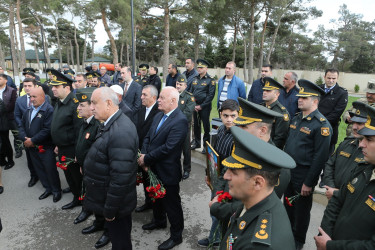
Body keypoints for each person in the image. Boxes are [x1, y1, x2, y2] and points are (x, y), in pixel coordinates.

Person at [210, 126, 296, 250]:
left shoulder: (260, 245)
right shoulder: (255, 201)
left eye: (233, 172)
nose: (226, 176)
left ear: (258, 183)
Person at [84, 87, 138, 250]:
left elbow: (120, 179)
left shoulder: (120, 131)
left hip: (116, 206)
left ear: (108, 103)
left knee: (121, 244)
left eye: (94, 103)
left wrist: (109, 211)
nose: (91, 107)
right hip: (111, 200)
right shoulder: (112, 123)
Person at [315, 104, 375, 250]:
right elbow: (337, 201)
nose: (361, 144)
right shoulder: (363, 169)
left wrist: (331, 246)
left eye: (369, 139)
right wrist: (325, 235)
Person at [283, 79, 332, 250]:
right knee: (288, 205)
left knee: (301, 212)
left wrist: (309, 182)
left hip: (303, 175)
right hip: (289, 172)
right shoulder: (297, 119)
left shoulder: (321, 126)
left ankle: (297, 242)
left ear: (315, 101)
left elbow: (320, 157)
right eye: (299, 96)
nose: (300, 99)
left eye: (304, 97)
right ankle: (286, 236)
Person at [138, 87, 188, 250]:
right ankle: (159, 222)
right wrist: (144, 154)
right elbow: (148, 137)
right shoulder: (159, 115)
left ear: (173, 101)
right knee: (156, 199)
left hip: (167, 171)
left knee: (172, 205)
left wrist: (146, 158)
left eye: (161, 98)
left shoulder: (180, 120)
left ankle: (176, 236)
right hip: (152, 167)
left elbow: (169, 148)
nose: (158, 100)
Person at [198, 99, 238, 248]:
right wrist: (209, 173)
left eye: (233, 116)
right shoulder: (221, 130)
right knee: (214, 213)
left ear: (238, 115)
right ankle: (214, 238)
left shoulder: (239, 137)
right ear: (220, 114)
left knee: (221, 215)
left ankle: (217, 240)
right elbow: (213, 155)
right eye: (226, 115)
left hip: (228, 183)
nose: (229, 119)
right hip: (217, 178)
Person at [73, 87, 111, 249]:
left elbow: (98, 152)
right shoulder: (85, 122)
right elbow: (83, 144)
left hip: (98, 173)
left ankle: (108, 232)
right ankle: (98, 223)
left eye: (82, 105)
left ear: (91, 106)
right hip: (88, 170)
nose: (78, 108)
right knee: (95, 199)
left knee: (103, 201)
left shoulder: (98, 125)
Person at [18, 87, 62, 202]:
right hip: (31, 147)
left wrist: (32, 140)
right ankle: (48, 188)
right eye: (30, 97)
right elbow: (21, 126)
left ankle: (56, 190)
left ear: (43, 97)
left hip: (45, 147)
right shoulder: (28, 110)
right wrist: (24, 138)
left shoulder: (49, 110)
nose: (31, 99)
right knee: (39, 169)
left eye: (34, 97)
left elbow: (47, 130)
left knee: (50, 169)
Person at [50, 69, 83, 210]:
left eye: (56, 86)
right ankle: (76, 198)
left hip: (72, 149)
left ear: (67, 88)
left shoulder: (74, 104)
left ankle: (84, 204)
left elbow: (79, 131)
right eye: (52, 86)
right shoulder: (59, 101)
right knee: (69, 177)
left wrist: (77, 153)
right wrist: (58, 144)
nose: (53, 89)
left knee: (77, 178)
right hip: (62, 147)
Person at [323, 101, 366, 200]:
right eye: (354, 122)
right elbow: (330, 165)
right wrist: (331, 187)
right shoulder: (346, 143)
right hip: (333, 198)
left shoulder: (371, 153)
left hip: (350, 204)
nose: (354, 127)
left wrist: (337, 193)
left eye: (359, 123)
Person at [135, 84, 161, 213]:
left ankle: (158, 211)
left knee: (153, 183)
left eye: (144, 95)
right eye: (141, 94)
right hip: (141, 153)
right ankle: (148, 203)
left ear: (154, 97)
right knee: (145, 180)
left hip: (152, 155)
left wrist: (147, 156)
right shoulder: (141, 110)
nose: (141, 97)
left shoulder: (159, 112)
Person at [14, 78, 39, 187]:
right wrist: (23, 131)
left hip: (39, 133)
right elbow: (17, 116)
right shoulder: (20, 100)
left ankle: (45, 177)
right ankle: (33, 176)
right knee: (30, 157)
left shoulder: (43, 98)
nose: (27, 88)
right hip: (26, 133)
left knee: (43, 157)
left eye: (29, 85)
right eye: (25, 86)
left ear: (35, 86)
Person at [318, 68, 348, 155]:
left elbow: (336, 114)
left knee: (326, 157)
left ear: (337, 78)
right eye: (329, 78)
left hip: (329, 129)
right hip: (313, 128)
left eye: (334, 78)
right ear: (324, 77)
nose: (331, 81)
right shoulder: (317, 89)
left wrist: (319, 122)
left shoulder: (342, 93)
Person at [190, 59, 216, 154]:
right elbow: (191, 93)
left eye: (201, 67)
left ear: (206, 68)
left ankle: (206, 146)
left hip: (204, 107)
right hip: (195, 107)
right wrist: (194, 105)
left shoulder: (210, 80)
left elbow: (210, 96)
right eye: (198, 67)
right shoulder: (195, 78)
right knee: (196, 126)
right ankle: (197, 143)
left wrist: (201, 106)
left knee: (205, 126)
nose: (199, 69)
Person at [176, 74, 196, 180]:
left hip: (184, 126)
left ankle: (187, 169)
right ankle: (176, 168)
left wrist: (174, 117)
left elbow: (188, 113)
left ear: (186, 86)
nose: (178, 86)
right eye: (177, 84)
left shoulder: (189, 97)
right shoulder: (173, 95)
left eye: (181, 84)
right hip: (173, 127)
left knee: (186, 148)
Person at [261, 77, 290, 149]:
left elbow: (279, 139)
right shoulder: (260, 107)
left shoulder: (281, 113)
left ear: (277, 94)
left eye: (268, 91)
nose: (264, 92)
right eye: (264, 90)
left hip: (269, 150)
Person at [0, 74, 17, 170]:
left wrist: (1, 110)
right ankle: (2, 160)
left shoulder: (11, 90)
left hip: (8, 118)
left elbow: (11, 105)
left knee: (5, 141)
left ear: (6, 80)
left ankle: (10, 160)